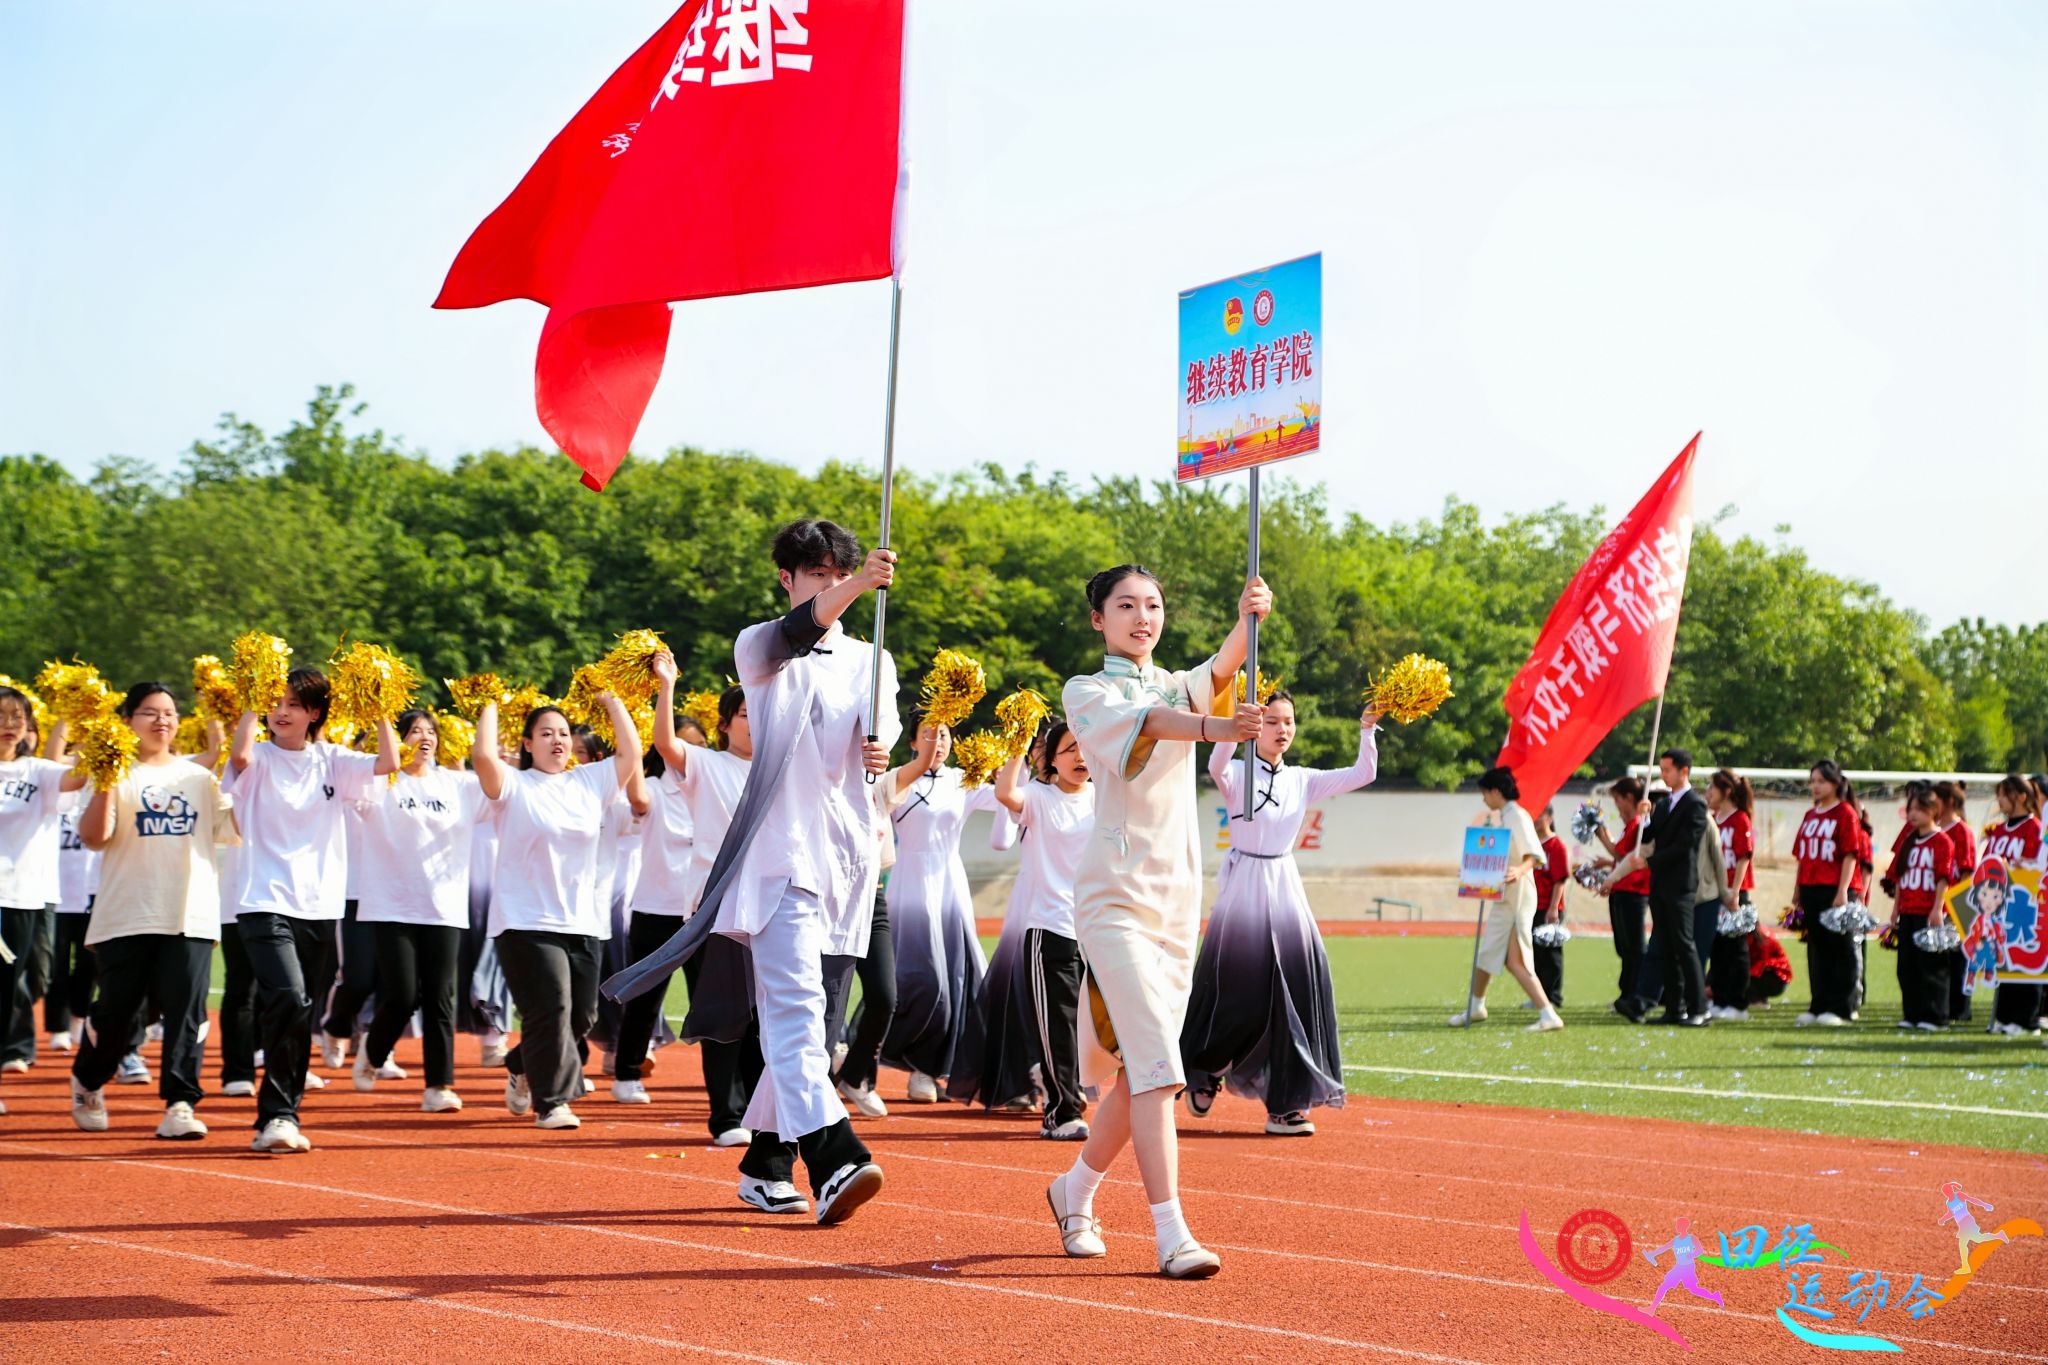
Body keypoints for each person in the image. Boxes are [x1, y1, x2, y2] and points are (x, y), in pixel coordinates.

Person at [602, 519, 902, 1227]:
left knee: (815, 1026)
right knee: (794, 1012)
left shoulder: (873, 659)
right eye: (818, 573)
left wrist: (880, 752)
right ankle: (834, 1154)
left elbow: (878, 736)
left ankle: (765, 1164)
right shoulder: (760, 647)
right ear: (788, 579)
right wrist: (860, 585)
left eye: (841, 573)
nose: (831, 584)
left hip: (847, 863)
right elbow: (800, 629)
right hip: (778, 860)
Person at [1046, 563, 1267, 1280]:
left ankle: (1073, 1190)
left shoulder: (1174, 681)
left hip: (1175, 903)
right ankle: (1172, 1233)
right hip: (1114, 900)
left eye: (1153, 605)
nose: (1143, 616)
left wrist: (1250, 614)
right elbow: (1153, 726)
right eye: (1126, 605)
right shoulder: (1088, 691)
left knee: (1143, 1072)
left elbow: (1222, 666)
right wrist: (1216, 727)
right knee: (1158, 1068)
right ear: (1099, 619)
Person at [1184, 692, 1381, 1135]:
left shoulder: (1302, 779)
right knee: (1235, 989)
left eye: (1288, 722)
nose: (1282, 730)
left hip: (1285, 885)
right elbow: (1215, 765)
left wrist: (1367, 728)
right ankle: (1207, 1068)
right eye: (1272, 721)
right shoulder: (1236, 772)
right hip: (1243, 888)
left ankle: (1287, 1105)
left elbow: (1363, 773)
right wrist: (1234, 724)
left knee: (1298, 989)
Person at [228, 666, 399, 1152]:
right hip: (263, 899)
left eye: (294, 705)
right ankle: (278, 1116)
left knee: (301, 1007)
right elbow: (240, 757)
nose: (282, 712)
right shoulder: (258, 757)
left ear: (315, 713)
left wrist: (379, 703)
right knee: (288, 996)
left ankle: (283, 1114)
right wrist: (251, 698)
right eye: (276, 703)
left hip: (319, 904)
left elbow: (389, 762)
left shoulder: (332, 760)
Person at [66, 682, 236, 1138]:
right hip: (127, 913)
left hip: (189, 913)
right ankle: (89, 1079)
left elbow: (234, 827)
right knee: (119, 1015)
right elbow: (94, 837)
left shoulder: (199, 778)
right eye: (149, 712)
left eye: (169, 713)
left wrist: (242, 762)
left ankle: (181, 1103)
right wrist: (105, 778)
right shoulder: (113, 774)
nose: (162, 720)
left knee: (188, 1011)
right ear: (127, 721)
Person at [474, 695, 644, 1130]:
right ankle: (552, 1103)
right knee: (551, 1008)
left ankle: (521, 1064)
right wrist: (490, 703)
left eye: (564, 733)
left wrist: (612, 702)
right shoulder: (513, 785)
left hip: (582, 921)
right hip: (525, 920)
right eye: (546, 733)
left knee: (581, 1016)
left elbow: (631, 753)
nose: (557, 741)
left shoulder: (589, 781)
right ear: (527, 743)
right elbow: (483, 757)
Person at [620, 663, 763, 1147]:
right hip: (716, 907)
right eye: (744, 714)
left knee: (764, 1015)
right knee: (724, 1014)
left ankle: (761, 1111)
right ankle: (726, 1116)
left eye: (761, 712)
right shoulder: (707, 764)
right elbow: (665, 744)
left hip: (768, 906)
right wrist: (667, 686)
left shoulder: (781, 768)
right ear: (724, 724)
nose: (754, 722)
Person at [348, 708, 485, 1110]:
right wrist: (380, 717)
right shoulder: (380, 784)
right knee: (403, 995)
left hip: (443, 907)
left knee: (441, 996)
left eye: (430, 731)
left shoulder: (458, 784)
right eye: (414, 731)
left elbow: (494, 781)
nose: (425, 738)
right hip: (391, 905)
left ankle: (439, 1087)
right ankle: (374, 1051)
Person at [974, 719, 1093, 1139]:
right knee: (1059, 1026)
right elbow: (1005, 793)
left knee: (1094, 1025)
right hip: (1051, 927)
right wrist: (1019, 739)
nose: (1080, 757)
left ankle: (1083, 1093)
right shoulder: (1040, 798)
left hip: (1096, 930)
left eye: (1084, 747)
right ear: (1051, 760)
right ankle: (1062, 1111)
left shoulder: (1106, 797)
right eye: (1069, 749)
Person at [867, 721, 997, 1103]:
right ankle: (863, 1050)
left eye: (943, 735)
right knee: (921, 981)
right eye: (927, 733)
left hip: (951, 885)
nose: (937, 742)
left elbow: (1008, 801)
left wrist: (1013, 752)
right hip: (909, 885)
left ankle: (928, 1070)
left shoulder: (962, 781)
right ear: (911, 740)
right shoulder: (897, 778)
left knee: (961, 978)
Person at [1451, 766, 1562, 1031]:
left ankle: (1547, 1013)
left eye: (1485, 793)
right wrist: (1473, 873)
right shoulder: (1505, 816)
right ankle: (1476, 1006)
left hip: (1518, 896)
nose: (1483, 799)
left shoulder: (1518, 816)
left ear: (1496, 792)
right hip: (1505, 896)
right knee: (1489, 952)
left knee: (1516, 961)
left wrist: (1519, 871)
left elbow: (1534, 855)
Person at [1614, 749, 1711, 1026]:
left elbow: (1685, 845)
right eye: (1662, 769)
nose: (1664, 775)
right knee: (1667, 947)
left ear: (1684, 771)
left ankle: (1699, 1008)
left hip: (1680, 885)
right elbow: (1648, 835)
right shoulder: (1666, 803)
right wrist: (1644, 816)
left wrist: (1649, 862)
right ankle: (1675, 1008)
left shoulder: (1695, 804)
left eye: (1668, 769)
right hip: (1660, 885)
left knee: (1684, 945)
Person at [1792, 760, 1863, 1028]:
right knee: (1817, 949)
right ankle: (1818, 1004)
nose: (1815, 786)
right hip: (1811, 888)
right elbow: (1802, 856)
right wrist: (1797, 889)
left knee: (1840, 949)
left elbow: (1850, 854)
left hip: (1835, 890)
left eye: (1821, 781)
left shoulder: (1845, 813)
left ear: (1835, 783)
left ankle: (1841, 1007)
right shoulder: (1810, 815)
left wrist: (1843, 890)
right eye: (1812, 781)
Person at [1884, 789, 1955, 1032]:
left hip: (1929, 912)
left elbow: (1943, 878)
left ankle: (1935, 1016)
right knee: (1907, 966)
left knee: (1932, 966)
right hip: (1908, 911)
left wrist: (1937, 908)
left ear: (1934, 810)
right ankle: (1911, 1014)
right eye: (1910, 809)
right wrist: (1896, 908)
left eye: (1919, 809)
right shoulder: (1909, 841)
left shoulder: (1942, 841)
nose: (1913, 814)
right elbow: (1900, 878)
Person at [1982, 776, 2044, 1036]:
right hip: (2000, 906)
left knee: (2025, 960)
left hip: (2025, 905)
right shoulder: (1998, 830)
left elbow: (2037, 864)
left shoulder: (2035, 827)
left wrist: (2019, 866)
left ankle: (2027, 1020)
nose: (1999, 800)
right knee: (2004, 960)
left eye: (2004, 794)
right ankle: (2005, 1016)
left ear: (2021, 796)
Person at [1593, 777, 1653, 1020]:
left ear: (1629, 798)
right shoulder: (1631, 826)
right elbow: (1621, 856)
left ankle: (1634, 994)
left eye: (1618, 800)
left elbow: (1622, 854)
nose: (1617, 806)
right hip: (1622, 889)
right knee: (1624, 946)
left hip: (1635, 891)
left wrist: (1601, 833)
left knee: (1634, 947)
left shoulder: (1639, 824)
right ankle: (1627, 993)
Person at [1705, 769, 1756, 1020]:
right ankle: (1720, 999)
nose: (1707, 793)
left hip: (1734, 893)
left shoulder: (1740, 819)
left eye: (1711, 788)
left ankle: (1737, 1004)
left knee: (1735, 949)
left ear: (1726, 791)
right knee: (1717, 949)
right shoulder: (1713, 819)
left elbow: (1743, 857)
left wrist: (1734, 892)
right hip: (1714, 893)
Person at [1528, 806, 1570, 1011]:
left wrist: (1554, 908)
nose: (1536, 819)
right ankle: (1539, 996)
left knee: (1551, 953)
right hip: (1532, 906)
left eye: (1540, 815)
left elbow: (1560, 879)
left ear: (1550, 818)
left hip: (1549, 906)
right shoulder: (1532, 845)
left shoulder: (1556, 845)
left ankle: (1553, 996)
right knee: (1535, 953)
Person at [1643, 1217, 1724, 1312]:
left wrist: (1692, 1255)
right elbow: (1664, 1247)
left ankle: (1715, 1296)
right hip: (1679, 1267)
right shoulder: (1676, 1240)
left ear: (1685, 1227)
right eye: (1677, 1225)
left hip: (1688, 1268)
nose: (1677, 1227)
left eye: (1679, 1225)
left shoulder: (1692, 1238)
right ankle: (1652, 1309)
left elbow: (1700, 1250)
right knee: (1664, 1286)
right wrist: (1653, 1254)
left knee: (1694, 1289)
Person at [1940, 1183, 2011, 1275]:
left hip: (1967, 1221)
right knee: (1978, 1239)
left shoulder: (1959, 1195)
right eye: (1945, 1192)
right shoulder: (1948, 1203)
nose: (1946, 1193)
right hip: (1962, 1224)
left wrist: (1984, 1205)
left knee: (1963, 1244)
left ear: (1951, 1190)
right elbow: (1951, 1213)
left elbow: (1972, 1200)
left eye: (1947, 1191)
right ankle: (1999, 1235)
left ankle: (1965, 1267)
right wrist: (1943, 1219)